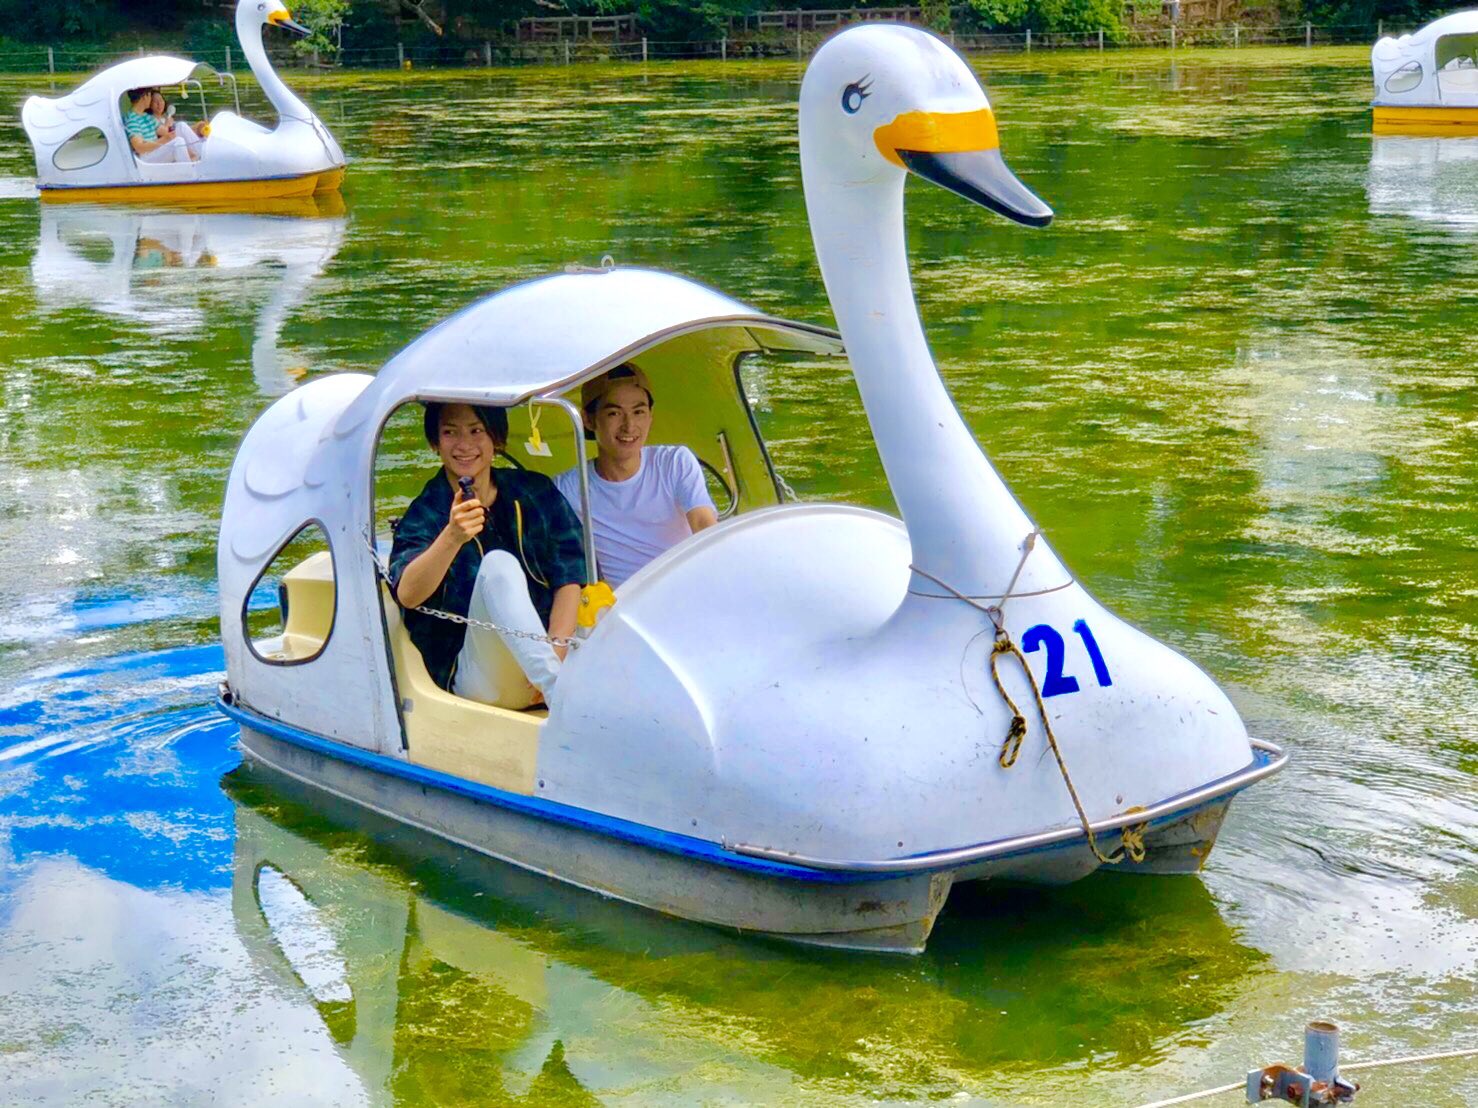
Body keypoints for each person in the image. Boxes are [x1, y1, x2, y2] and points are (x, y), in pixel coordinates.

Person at [389, 402, 586, 708]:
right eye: (450, 432)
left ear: (496, 437)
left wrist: (556, 649)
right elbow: (408, 594)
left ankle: (553, 681)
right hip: (482, 677)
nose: (464, 445)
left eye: (476, 431)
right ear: (435, 443)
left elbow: (570, 573)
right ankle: (560, 696)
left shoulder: (534, 490)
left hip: (550, 654)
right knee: (498, 565)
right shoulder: (426, 512)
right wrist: (452, 536)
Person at [554, 364, 717, 589]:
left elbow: (703, 523)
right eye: (614, 413)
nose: (629, 426)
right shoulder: (568, 488)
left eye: (638, 412)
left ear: (650, 416)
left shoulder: (675, 462)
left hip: (686, 588)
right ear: (588, 420)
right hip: (621, 603)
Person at [123, 87, 198, 164]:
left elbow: (166, 131)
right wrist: (164, 140)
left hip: (155, 150)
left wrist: (195, 127)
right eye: (150, 96)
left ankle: (200, 156)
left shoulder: (146, 116)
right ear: (145, 96)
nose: (150, 99)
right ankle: (188, 168)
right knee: (178, 142)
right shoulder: (132, 119)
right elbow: (140, 148)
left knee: (180, 126)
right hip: (146, 156)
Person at [149, 88, 206, 156]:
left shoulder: (166, 117)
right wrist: (167, 124)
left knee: (200, 131)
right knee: (181, 125)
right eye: (155, 102)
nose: (159, 104)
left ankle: (203, 149)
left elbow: (181, 132)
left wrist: (196, 127)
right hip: (167, 146)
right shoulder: (151, 120)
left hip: (177, 140)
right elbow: (167, 134)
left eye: (161, 100)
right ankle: (203, 153)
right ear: (150, 104)